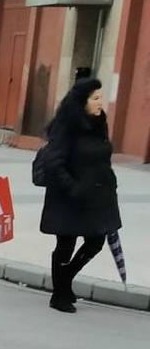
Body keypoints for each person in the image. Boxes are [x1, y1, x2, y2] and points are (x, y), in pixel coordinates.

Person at [38, 78, 122, 313]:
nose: (100, 103)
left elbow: (102, 156)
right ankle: (59, 295)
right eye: (95, 98)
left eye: (100, 97)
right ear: (81, 102)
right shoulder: (66, 126)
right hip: (68, 197)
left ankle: (63, 281)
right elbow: (54, 162)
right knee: (66, 244)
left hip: (95, 197)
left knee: (96, 241)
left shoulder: (99, 123)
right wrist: (73, 188)